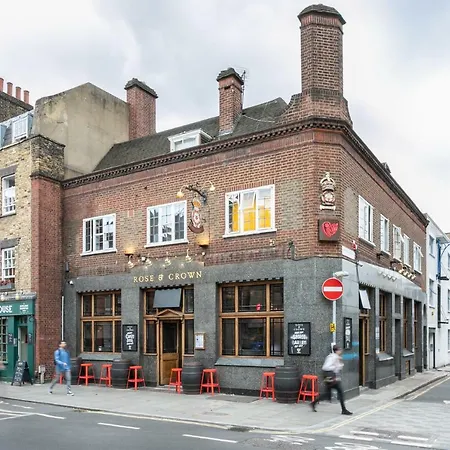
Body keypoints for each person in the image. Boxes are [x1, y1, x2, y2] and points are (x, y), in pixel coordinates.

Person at [311, 344, 352, 415]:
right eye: (339, 350)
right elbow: (326, 367)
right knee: (340, 393)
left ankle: (314, 403)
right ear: (337, 350)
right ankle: (344, 410)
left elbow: (337, 368)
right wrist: (336, 366)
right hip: (332, 378)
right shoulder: (333, 357)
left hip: (332, 378)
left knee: (328, 394)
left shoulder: (334, 357)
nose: (341, 351)